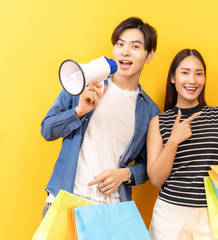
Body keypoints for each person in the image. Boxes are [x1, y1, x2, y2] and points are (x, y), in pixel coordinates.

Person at [40, 17, 159, 217]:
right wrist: (78, 112)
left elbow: (150, 166)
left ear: (150, 54)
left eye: (135, 46)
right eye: (120, 44)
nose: (125, 51)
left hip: (109, 209)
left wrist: (126, 174)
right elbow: (47, 130)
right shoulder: (83, 82)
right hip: (64, 201)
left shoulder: (150, 110)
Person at [147, 49, 218, 240]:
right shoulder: (158, 122)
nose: (192, 80)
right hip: (170, 214)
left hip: (212, 215)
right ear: (173, 77)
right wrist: (173, 141)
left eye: (199, 73)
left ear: (204, 78)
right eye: (185, 72)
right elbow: (156, 179)